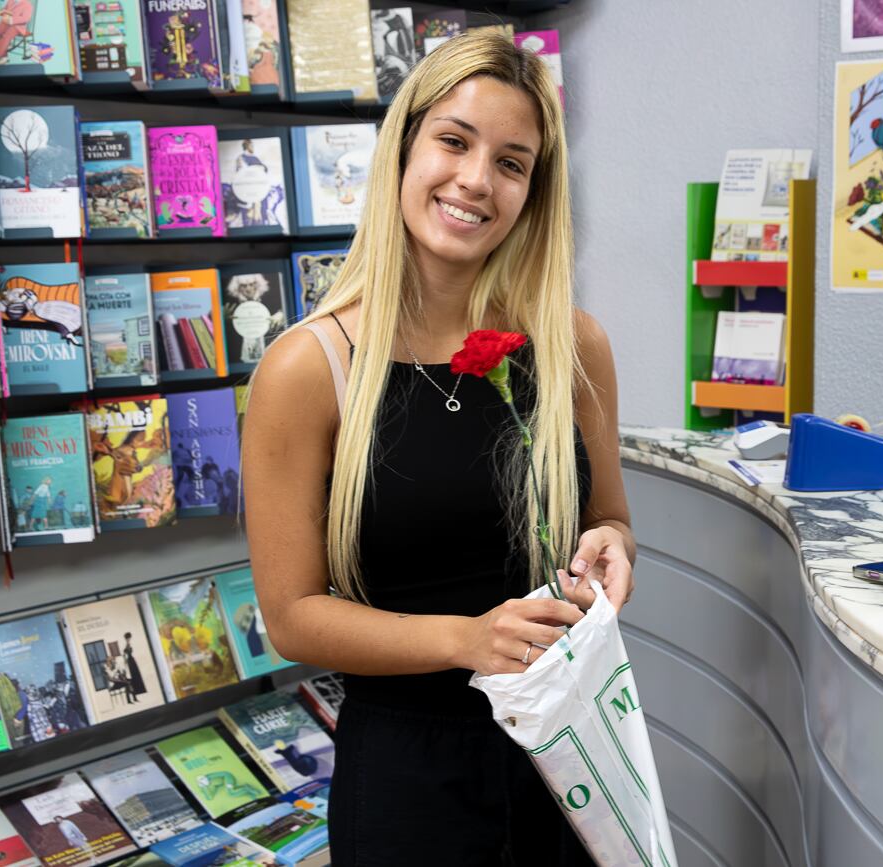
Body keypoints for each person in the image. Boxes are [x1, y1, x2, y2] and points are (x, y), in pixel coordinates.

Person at [242, 31, 634, 865]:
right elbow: (292, 617)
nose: (474, 180)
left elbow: (609, 521)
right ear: (404, 148)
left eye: (511, 162)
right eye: (454, 141)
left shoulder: (574, 347)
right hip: (406, 777)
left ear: (534, 191)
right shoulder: (308, 369)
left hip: (569, 757)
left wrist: (611, 551)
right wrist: (466, 638)